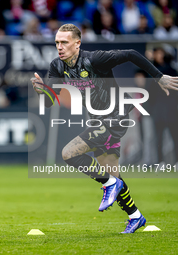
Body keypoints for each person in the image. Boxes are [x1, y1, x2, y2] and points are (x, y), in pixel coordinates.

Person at [30, 24, 178, 234]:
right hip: (96, 119)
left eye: (64, 42)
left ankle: (110, 184)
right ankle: (135, 216)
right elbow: (48, 103)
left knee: (68, 153)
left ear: (77, 43)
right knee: (111, 173)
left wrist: (158, 76)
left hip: (115, 116)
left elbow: (131, 54)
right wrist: (41, 91)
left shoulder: (95, 59)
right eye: (57, 42)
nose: (59, 47)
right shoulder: (57, 66)